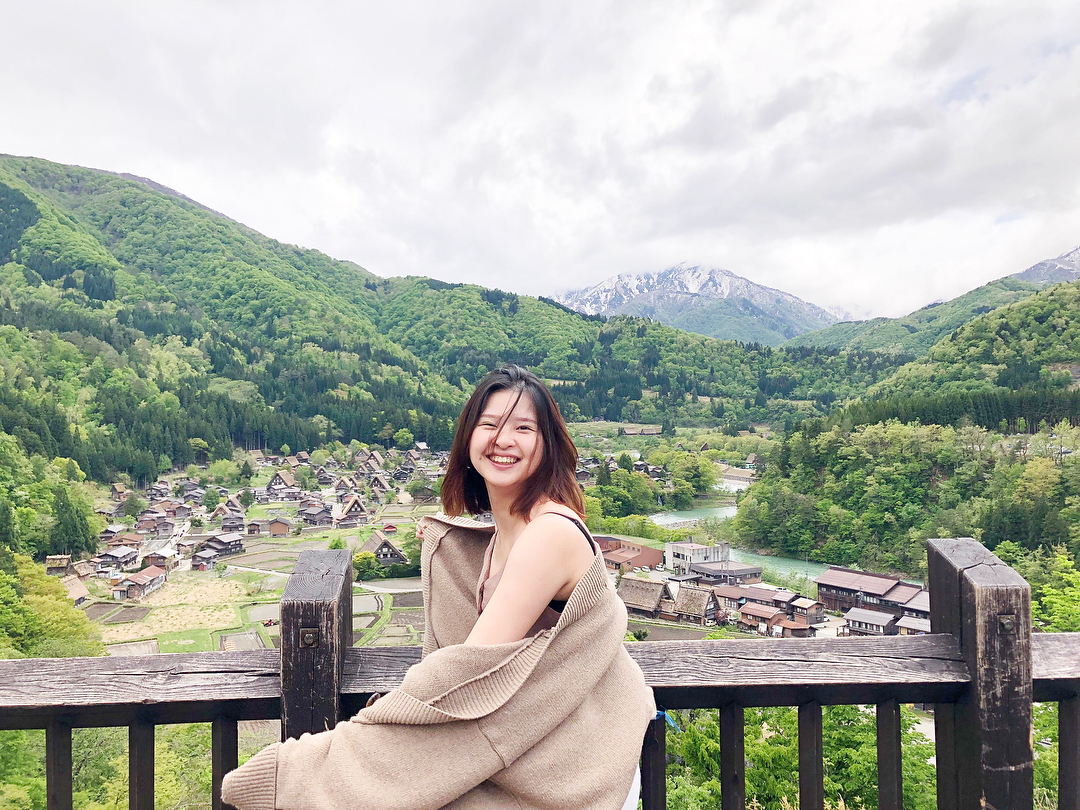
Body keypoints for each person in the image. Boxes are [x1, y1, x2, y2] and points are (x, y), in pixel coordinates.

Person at [223, 365, 655, 810]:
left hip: (575, 765)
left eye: (523, 428)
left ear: (547, 446)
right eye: (489, 424)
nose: (503, 440)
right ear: (468, 439)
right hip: (547, 746)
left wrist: (332, 749)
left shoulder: (549, 535)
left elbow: (466, 676)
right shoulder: (503, 535)